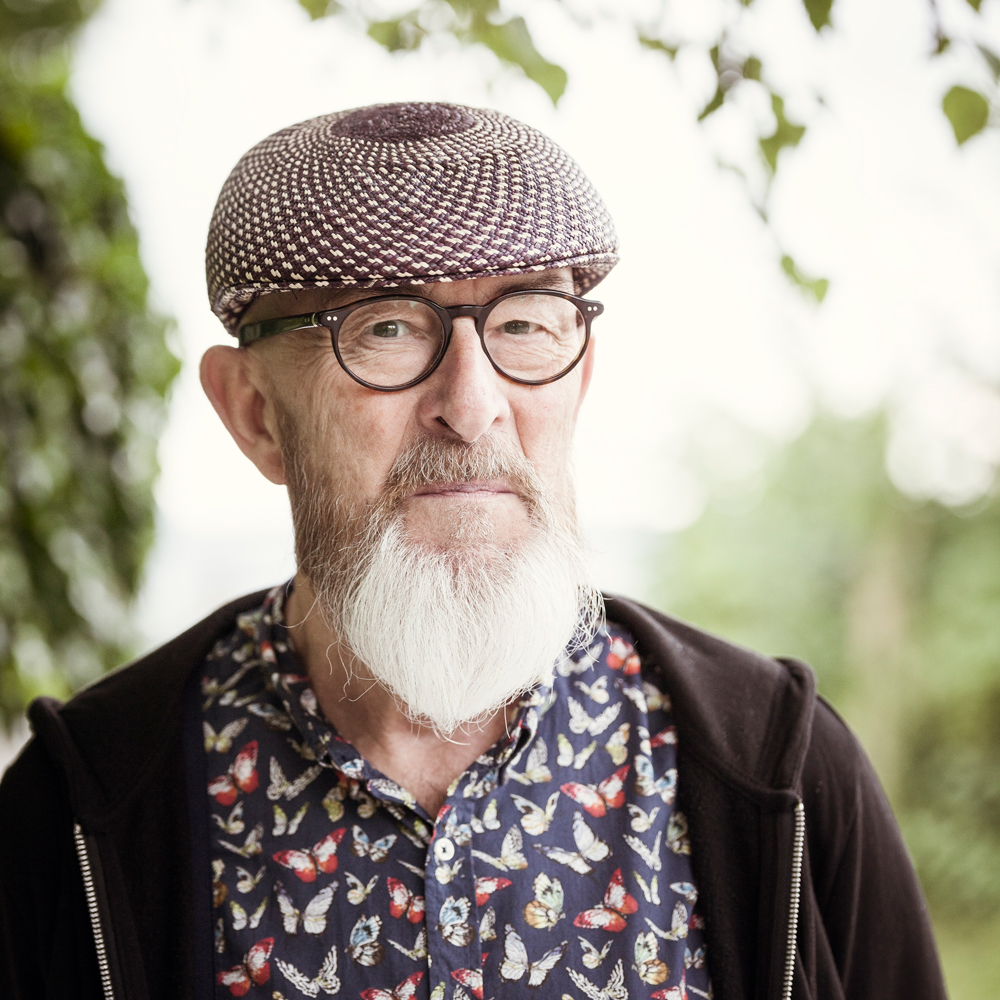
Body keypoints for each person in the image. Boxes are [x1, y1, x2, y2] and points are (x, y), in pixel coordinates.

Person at [0, 102, 945, 1000]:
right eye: (385, 328)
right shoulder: (80, 805)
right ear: (255, 414)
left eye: (523, 324)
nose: (473, 404)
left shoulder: (782, 771)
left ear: (580, 379)